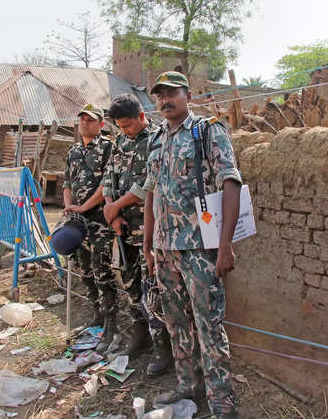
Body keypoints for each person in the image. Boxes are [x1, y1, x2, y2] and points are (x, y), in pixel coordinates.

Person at [143, 71, 241, 418]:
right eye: (160, 95)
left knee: (209, 326)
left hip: (200, 249)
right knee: (175, 322)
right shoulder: (157, 139)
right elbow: (151, 194)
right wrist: (148, 246)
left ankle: (222, 403)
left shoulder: (207, 131)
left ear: (188, 94)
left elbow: (230, 184)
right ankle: (188, 386)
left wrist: (225, 245)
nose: (165, 100)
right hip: (165, 249)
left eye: (172, 93)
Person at [103, 94, 172, 375]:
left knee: (151, 290)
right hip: (122, 227)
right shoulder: (119, 141)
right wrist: (111, 210)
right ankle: (140, 336)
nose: (125, 130)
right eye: (120, 126)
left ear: (142, 117)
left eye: (129, 125)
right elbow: (110, 174)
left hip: (148, 228)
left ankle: (163, 350)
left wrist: (117, 206)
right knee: (130, 285)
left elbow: (149, 185)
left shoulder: (157, 140)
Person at [62, 103, 117, 351]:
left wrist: (84, 208)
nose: (84, 123)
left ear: (101, 124)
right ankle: (97, 315)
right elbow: (66, 182)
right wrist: (69, 207)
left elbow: (107, 184)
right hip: (78, 221)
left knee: (102, 271)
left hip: (99, 220)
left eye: (90, 120)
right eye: (82, 119)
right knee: (84, 269)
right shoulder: (73, 150)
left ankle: (111, 324)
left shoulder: (108, 148)